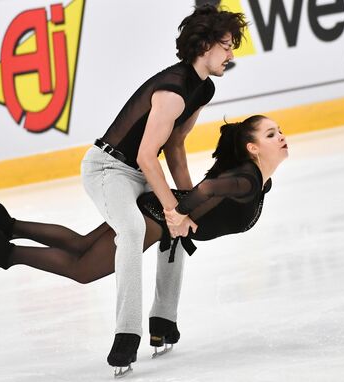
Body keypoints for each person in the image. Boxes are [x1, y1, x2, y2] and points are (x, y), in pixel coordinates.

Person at [0, 115, 288, 372]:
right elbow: (207, 191)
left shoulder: (256, 179)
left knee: (82, 246)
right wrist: (179, 215)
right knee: (83, 269)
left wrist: (181, 217)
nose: (281, 136)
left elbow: (209, 193)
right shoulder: (247, 178)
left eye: (279, 131)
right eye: (271, 134)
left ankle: (0, 221)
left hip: (155, 214)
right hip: (155, 218)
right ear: (252, 147)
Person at [81, 4, 246, 373]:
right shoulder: (173, 89)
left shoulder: (202, 88)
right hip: (108, 169)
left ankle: (163, 322)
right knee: (134, 229)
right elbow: (144, 156)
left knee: (177, 222)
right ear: (204, 45)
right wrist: (173, 209)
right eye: (226, 45)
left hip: (138, 171)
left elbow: (173, 145)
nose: (231, 54)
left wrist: (188, 201)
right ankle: (126, 335)